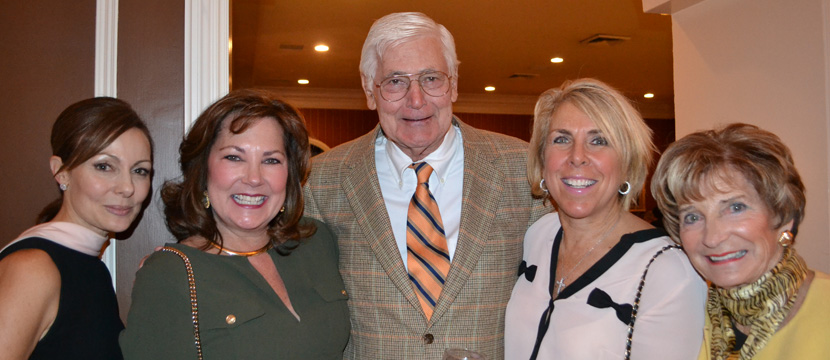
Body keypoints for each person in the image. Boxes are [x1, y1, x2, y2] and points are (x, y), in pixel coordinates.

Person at [302, 12, 549, 359]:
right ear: (369, 90)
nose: (416, 99)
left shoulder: (523, 169)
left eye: (431, 78)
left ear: (454, 84)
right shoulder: (320, 181)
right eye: (395, 81)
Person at [120, 90, 349, 359]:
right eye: (234, 157)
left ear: (289, 176)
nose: (254, 178)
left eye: (271, 160)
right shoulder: (170, 274)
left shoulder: (317, 242)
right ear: (202, 170)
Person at [505, 78, 707, 359]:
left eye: (599, 141)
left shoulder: (667, 271)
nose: (577, 157)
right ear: (541, 160)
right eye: (561, 139)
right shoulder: (539, 234)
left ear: (627, 164)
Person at [651, 123, 830, 359]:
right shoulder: (684, 314)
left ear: (783, 214)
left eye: (736, 207)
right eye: (693, 217)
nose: (713, 238)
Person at [0, 97, 154, 359]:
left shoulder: (90, 268)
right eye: (104, 166)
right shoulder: (33, 268)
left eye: (140, 171)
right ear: (61, 172)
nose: (127, 187)